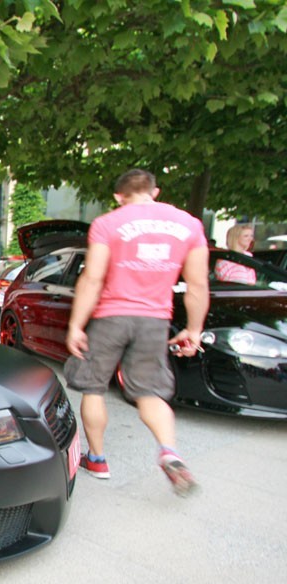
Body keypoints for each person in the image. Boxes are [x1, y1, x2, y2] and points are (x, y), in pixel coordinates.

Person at [64, 169, 209, 497]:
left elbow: (93, 279)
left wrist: (76, 325)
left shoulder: (108, 223)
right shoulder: (189, 225)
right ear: (155, 191)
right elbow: (198, 285)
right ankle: (169, 452)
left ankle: (97, 459)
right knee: (150, 393)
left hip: (111, 317)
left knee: (93, 387)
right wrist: (194, 330)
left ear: (119, 196)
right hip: (155, 320)